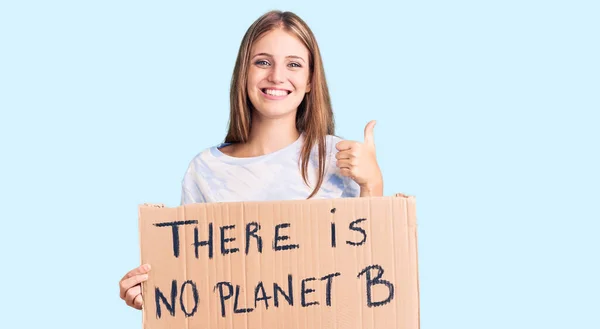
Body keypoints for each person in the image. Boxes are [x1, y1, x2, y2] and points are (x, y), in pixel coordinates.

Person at [119, 9, 384, 311]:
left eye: (294, 64)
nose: (276, 76)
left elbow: (371, 267)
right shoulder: (206, 170)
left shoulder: (338, 158)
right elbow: (195, 279)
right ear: (244, 72)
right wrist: (153, 294)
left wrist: (373, 183)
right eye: (262, 62)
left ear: (310, 80)